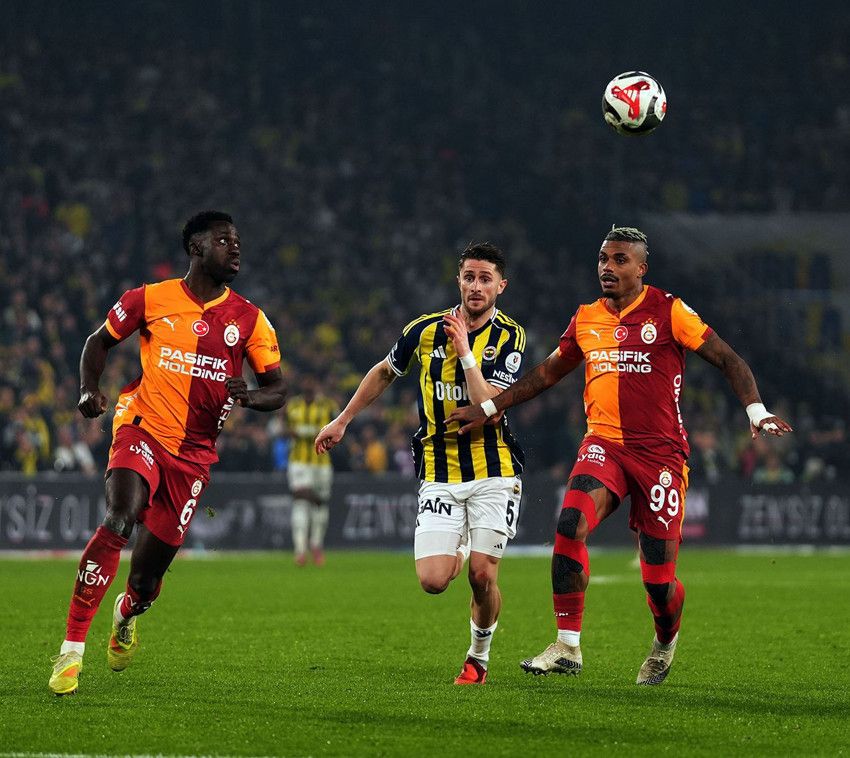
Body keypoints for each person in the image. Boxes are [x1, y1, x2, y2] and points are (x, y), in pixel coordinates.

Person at [447, 227, 792, 685]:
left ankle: (665, 641)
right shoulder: (587, 317)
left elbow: (730, 360)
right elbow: (547, 373)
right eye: (603, 259)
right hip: (604, 445)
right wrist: (490, 407)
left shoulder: (670, 311)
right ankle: (567, 645)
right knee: (570, 525)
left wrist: (756, 410)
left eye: (619, 260)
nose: (607, 267)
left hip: (661, 456)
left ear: (641, 268)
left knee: (658, 583)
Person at [48, 211, 287, 695]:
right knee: (120, 517)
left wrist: (250, 397)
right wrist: (88, 388)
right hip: (141, 427)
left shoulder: (250, 319)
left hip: (194, 456)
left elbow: (277, 389)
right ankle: (71, 649)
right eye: (224, 240)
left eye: (237, 241)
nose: (235, 248)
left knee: (145, 582)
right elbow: (98, 342)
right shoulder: (149, 298)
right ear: (196, 248)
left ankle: (126, 612)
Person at [314, 242, 526, 685]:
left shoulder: (510, 336)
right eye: (469, 277)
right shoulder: (424, 330)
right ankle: (462, 545)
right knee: (433, 581)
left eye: (485, 279)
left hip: (493, 469)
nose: (476, 286)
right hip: (439, 469)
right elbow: (384, 371)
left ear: (501, 286)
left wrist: (465, 352)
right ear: (459, 280)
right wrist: (343, 419)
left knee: (482, 576)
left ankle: (478, 658)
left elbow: (490, 407)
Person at [285, 375, 339, 566]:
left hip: (321, 462)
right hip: (299, 462)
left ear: (316, 384)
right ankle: (300, 550)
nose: (308, 384)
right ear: (302, 384)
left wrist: (306, 432)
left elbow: (338, 428)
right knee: (301, 502)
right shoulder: (293, 405)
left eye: (312, 381)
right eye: (306, 381)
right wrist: (298, 432)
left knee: (320, 505)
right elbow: (285, 428)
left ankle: (316, 545)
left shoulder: (328, 405)